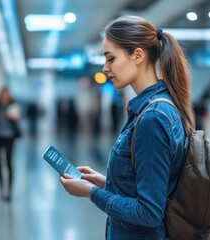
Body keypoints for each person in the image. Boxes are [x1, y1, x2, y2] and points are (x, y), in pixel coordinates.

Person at [59, 16, 194, 239]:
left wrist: (91, 193)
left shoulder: (153, 118)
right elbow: (152, 184)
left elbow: (149, 212)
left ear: (138, 55)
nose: (105, 67)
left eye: (111, 58)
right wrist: (104, 182)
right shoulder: (152, 108)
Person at [0, 87, 21, 202]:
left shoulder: (13, 105)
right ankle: (1, 190)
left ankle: (9, 191)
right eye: (3, 95)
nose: (5, 97)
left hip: (9, 138)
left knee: (9, 163)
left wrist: (10, 115)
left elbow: (17, 118)